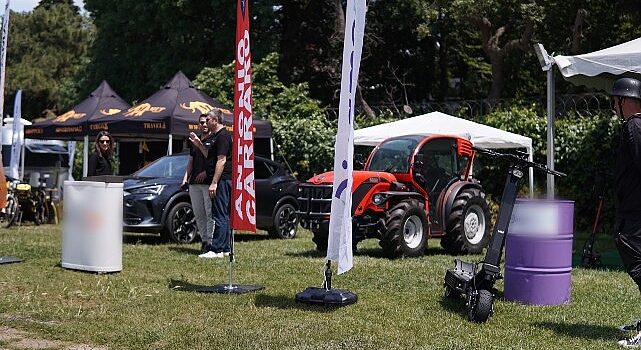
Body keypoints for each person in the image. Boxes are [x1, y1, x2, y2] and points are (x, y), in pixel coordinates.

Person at [610, 77, 641, 348]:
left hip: (637, 212)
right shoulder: (633, 126)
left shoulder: (635, 126)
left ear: (624, 101)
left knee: (639, 264)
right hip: (631, 208)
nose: (612, 105)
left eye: (615, 100)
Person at [181, 114, 215, 256]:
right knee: (199, 213)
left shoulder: (215, 140)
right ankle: (204, 240)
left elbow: (216, 162)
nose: (204, 125)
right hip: (194, 183)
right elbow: (190, 162)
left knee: (209, 213)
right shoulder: (194, 141)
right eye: (201, 122)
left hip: (208, 183)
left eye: (206, 122)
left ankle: (211, 242)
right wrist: (185, 179)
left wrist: (206, 174)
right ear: (198, 125)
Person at [206, 109, 233, 258]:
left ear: (216, 120)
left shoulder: (222, 136)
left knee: (220, 214)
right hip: (222, 179)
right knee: (222, 214)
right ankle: (225, 248)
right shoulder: (216, 136)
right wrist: (199, 145)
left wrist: (214, 182)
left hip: (222, 180)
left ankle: (216, 249)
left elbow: (221, 160)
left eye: (208, 119)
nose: (206, 122)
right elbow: (211, 157)